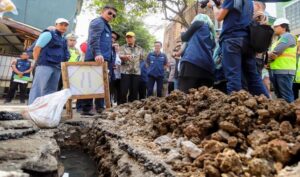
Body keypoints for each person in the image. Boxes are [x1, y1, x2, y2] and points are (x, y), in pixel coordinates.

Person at [208, 0, 269, 97]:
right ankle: (268, 105)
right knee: (253, 77)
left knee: (233, 77)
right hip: (248, 42)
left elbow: (219, 17)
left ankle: (237, 109)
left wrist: (213, 6)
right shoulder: (249, 2)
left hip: (232, 40)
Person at [79, 5, 117, 115]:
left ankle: (100, 108)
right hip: (96, 57)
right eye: (109, 13)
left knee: (101, 84)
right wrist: (97, 53)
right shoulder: (98, 22)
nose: (111, 16)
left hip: (104, 59)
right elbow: (93, 39)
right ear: (102, 12)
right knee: (91, 83)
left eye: (113, 15)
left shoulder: (106, 25)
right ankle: (86, 109)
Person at [28, 18, 70, 104]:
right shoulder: (48, 34)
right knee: (38, 88)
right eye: (61, 24)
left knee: (51, 91)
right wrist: (38, 62)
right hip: (45, 65)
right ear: (56, 25)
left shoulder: (63, 39)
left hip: (57, 67)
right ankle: (32, 109)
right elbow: (36, 48)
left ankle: (45, 111)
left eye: (65, 25)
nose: (63, 27)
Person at [178, 14, 216, 93]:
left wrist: (182, 32)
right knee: (203, 97)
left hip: (192, 63)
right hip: (207, 68)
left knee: (184, 95)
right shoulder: (211, 34)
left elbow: (184, 37)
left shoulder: (199, 22)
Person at [268, 18, 297, 103]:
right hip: (277, 71)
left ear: (283, 27)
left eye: (276, 26)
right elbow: (273, 54)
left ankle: (291, 115)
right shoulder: (279, 40)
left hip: (284, 71)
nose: (274, 28)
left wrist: (269, 54)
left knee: (286, 96)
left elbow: (276, 51)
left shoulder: (287, 36)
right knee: (280, 98)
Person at [119, 32, 144, 104]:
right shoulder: (122, 47)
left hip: (136, 73)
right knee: (124, 91)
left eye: (131, 37)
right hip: (125, 72)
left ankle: (132, 109)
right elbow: (119, 57)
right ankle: (122, 107)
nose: (129, 39)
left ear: (134, 39)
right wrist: (124, 57)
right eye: (127, 37)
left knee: (134, 92)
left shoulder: (140, 49)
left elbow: (142, 59)